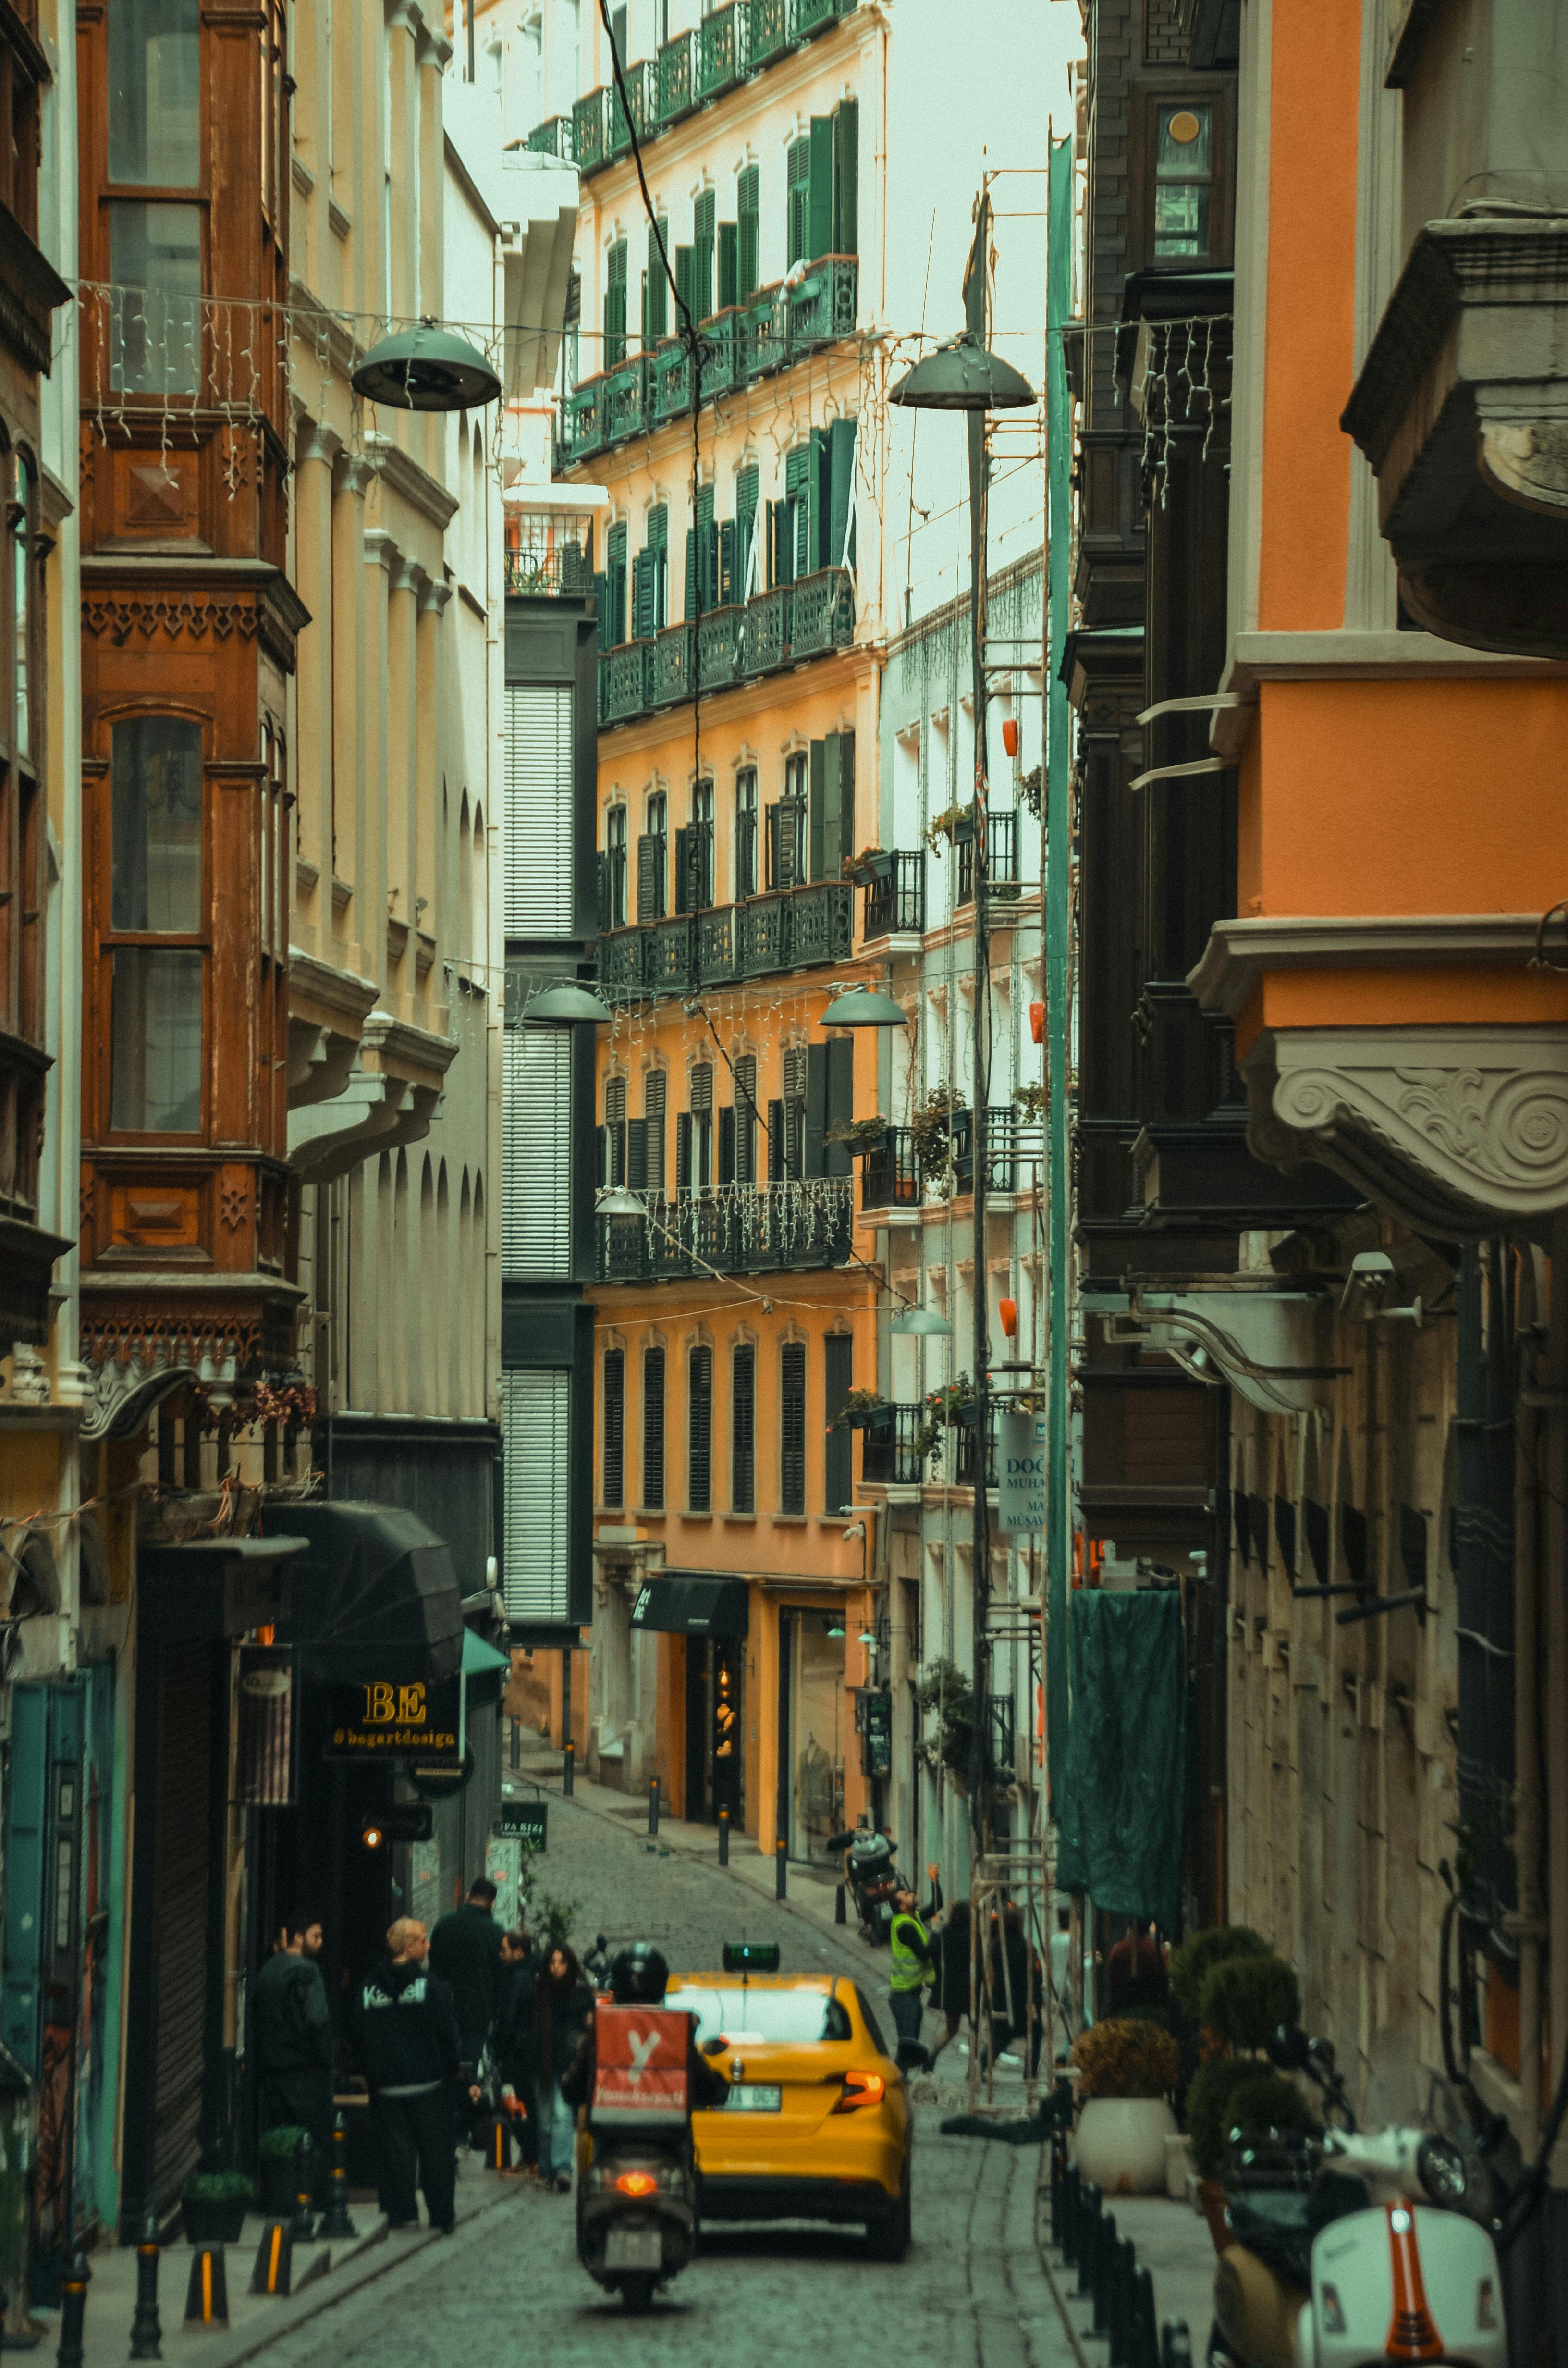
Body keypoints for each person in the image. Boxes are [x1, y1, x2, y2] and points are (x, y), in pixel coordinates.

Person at [353, 1916, 464, 2233]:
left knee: (396, 2154)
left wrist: (369, 2070)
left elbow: (358, 2030)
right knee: (436, 2153)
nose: (428, 1946)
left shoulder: (369, 1987)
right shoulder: (428, 1985)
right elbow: (446, 2031)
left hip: (387, 2086)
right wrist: (452, 2069)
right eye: (424, 1940)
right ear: (409, 1945)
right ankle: (441, 2214)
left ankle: (402, 2214)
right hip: (428, 2083)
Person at [560, 1942, 729, 2123]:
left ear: (617, 1988)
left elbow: (572, 2089)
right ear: (661, 1988)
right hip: (668, 2142)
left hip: (611, 2140)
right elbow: (711, 2090)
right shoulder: (677, 2029)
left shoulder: (601, 2027)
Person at [251, 1916, 334, 2171]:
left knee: (282, 2140)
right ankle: (311, 2196)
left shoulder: (267, 1971)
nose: (321, 1942)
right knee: (313, 2141)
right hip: (305, 2070)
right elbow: (317, 2020)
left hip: (272, 2070)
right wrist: (328, 2059)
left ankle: (283, 2196)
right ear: (298, 1937)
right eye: (315, 1936)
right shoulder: (307, 1971)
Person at [519, 1940, 595, 2192]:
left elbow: (590, 2028)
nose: (556, 1968)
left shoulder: (580, 1994)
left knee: (562, 2115)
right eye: (552, 1962)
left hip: (567, 2063)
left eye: (562, 1962)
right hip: (539, 2062)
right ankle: (547, 2169)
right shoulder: (535, 1992)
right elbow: (522, 2026)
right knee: (544, 2119)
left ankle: (562, 2167)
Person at [428, 1876, 505, 2078]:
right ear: (492, 1903)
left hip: (444, 2006)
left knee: (444, 2064)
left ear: (468, 1897)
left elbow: (434, 1964)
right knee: (470, 2068)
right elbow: (500, 1975)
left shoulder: (444, 1925)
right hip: (478, 2010)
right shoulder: (495, 1932)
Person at [494, 1927, 538, 2172]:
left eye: (504, 1950)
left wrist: (500, 2050)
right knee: (525, 2102)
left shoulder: (516, 1978)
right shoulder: (531, 1973)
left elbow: (508, 2017)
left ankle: (530, 2156)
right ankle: (531, 2156)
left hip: (515, 2052)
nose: (501, 1955)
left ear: (518, 1952)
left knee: (515, 2101)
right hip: (527, 2050)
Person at [887, 1886, 937, 2070]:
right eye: (906, 1895)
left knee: (910, 2047)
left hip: (911, 1994)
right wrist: (937, 1933)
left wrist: (934, 1880)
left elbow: (934, 1906)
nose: (912, 1894)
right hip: (904, 1996)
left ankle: (902, 2082)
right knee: (908, 2049)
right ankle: (897, 2080)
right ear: (902, 1906)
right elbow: (924, 1954)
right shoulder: (905, 1926)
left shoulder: (913, 1917)